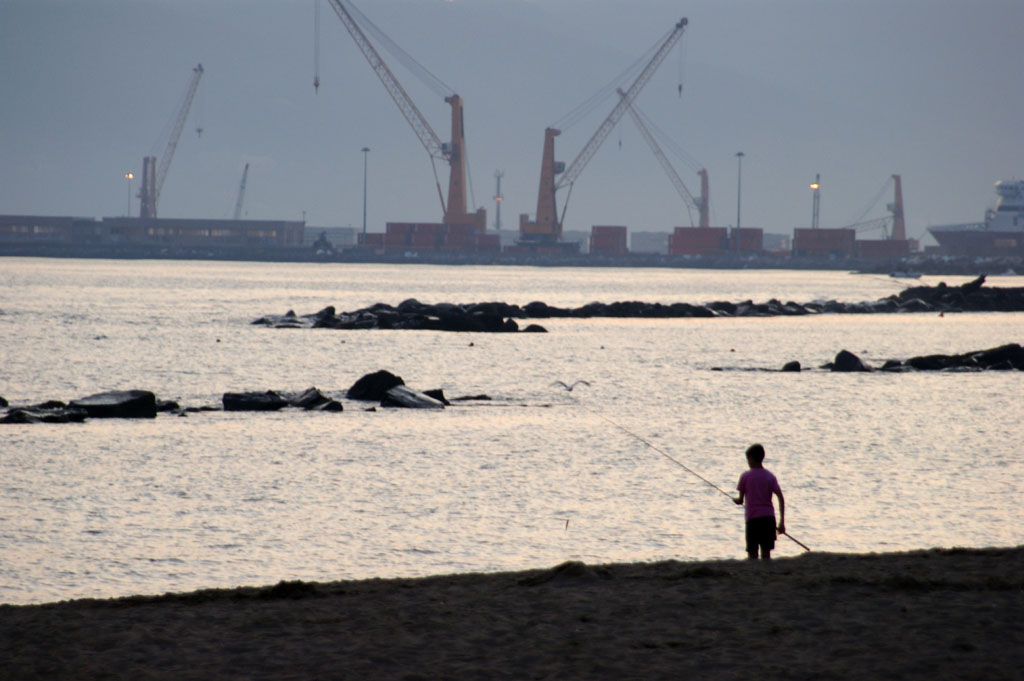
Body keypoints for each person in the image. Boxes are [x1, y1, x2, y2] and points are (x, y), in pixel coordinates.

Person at [733, 443, 785, 560]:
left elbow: (740, 500)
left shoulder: (745, 476)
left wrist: (736, 500)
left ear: (751, 458)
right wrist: (781, 521)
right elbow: (780, 497)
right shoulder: (770, 476)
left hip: (753, 520)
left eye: (747, 459)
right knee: (766, 554)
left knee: (752, 555)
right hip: (768, 520)